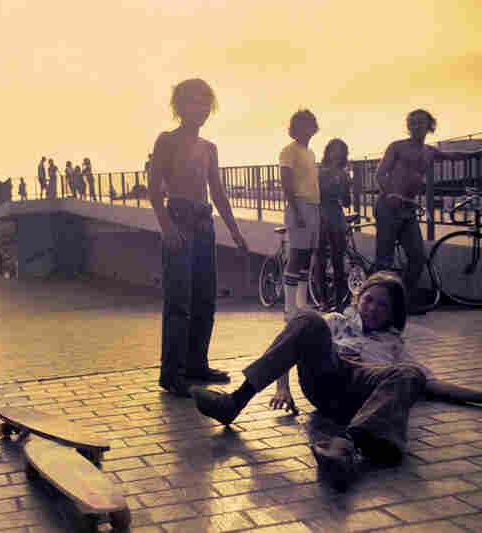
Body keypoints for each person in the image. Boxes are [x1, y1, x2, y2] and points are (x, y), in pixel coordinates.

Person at [191, 272, 482, 491]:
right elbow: (293, 341)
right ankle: (234, 402)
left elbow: (433, 384)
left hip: (361, 394)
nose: (372, 308)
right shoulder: (336, 322)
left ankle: (346, 445)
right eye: (368, 300)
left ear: (393, 314)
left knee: (412, 373)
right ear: (358, 299)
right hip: (327, 375)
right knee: (307, 319)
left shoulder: (395, 345)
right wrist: (283, 388)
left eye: (382, 306)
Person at [148, 78, 249, 397]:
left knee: (205, 297)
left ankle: (196, 365)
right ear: (180, 106)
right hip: (178, 219)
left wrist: (234, 231)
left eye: (206, 103)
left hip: (205, 223)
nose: (201, 109)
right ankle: (173, 373)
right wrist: (166, 227)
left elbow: (217, 192)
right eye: (194, 102)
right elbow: (153, 187)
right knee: (179, 300)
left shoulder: (209, 148)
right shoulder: (167, 140)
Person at [374, 109, 480, 314]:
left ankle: (399, 300)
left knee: (417, 258)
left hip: (408, 208)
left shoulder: (430, 151)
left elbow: (454, 155)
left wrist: (476, 152)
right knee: (384, 260)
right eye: (412, 123)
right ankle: (378, 306)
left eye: (421, 123)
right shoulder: (397, 147)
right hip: (388, 206)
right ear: (408, 126)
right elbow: (380, 174)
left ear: (429, 126)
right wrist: (390, 194)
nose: (416, 126)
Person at [279, 109, 321, 322]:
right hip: (299, 206)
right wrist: (296, 211)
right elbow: (286, 184)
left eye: (309, 124)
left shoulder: (310, 152)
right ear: (294, 128)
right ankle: (289, 308)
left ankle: (302, 304)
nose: (307, 128)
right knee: (296, 256)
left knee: (306, 257)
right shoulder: (289, 151)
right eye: (301, 124)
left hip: (314, 206)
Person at [312, 139, 352, 311]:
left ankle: (339, 302)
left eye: (340, 151)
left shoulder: (343, 174)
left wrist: (346, 185)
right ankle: (323, 300)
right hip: (320, 214)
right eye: (333, 150)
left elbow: (346, 201)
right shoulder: (319, 171)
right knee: (320, 258)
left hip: (336, 215)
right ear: (327, 152)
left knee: (338, 260)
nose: (336, 154)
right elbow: (314, 194)